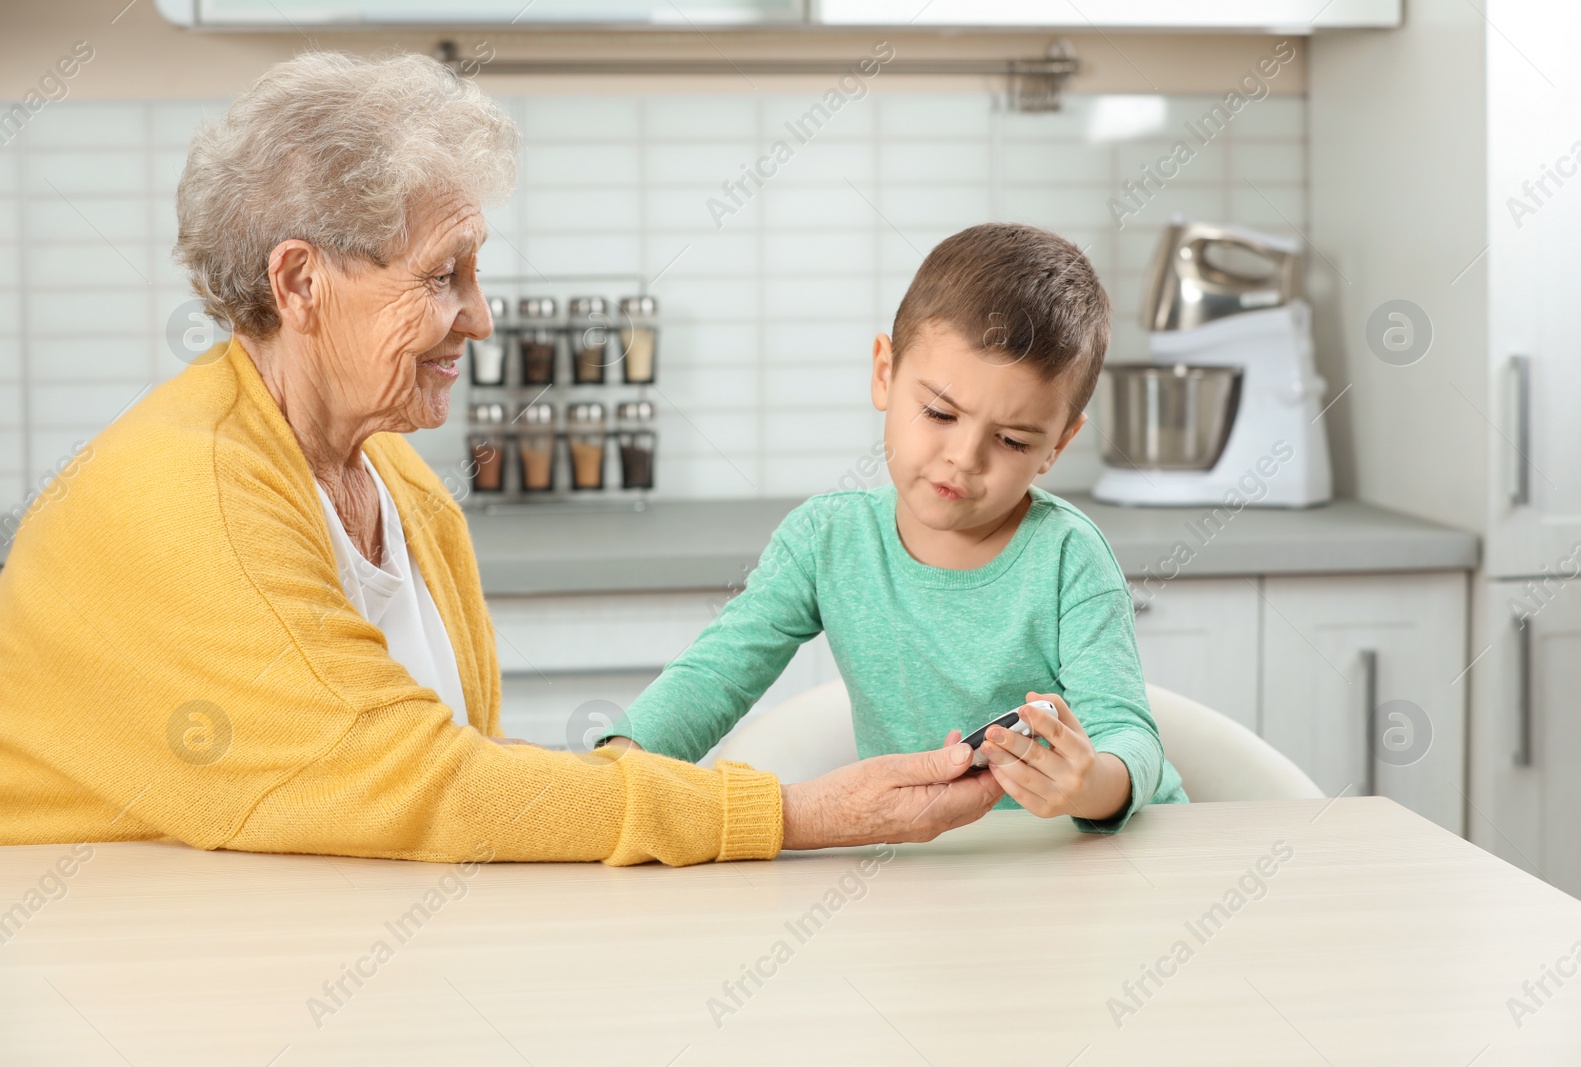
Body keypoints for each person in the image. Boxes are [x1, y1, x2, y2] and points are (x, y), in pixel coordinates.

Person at [0, 51, 1003, 865]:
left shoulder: (397, 484)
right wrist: (794, 815)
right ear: (300, 281)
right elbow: (434, 787)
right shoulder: (195, 495)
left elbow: (457, 772)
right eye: (444, 274)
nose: (479, 317)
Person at [606, 223, 1187, 830]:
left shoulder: (1070, 555)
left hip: (1092, 860)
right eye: (939, 412)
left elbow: (1129, 734)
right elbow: (715, 675)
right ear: (884, 372)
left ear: (1058, 444)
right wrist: (615, 772)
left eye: (1012, 440)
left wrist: (1091, 787)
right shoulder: (825, 542)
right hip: (931, 870)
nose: (964, 457)